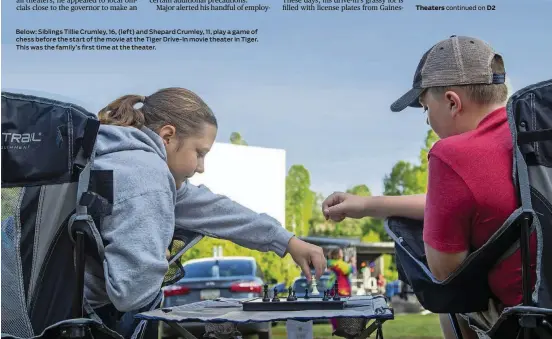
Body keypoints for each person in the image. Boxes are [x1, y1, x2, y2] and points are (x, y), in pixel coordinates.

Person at [321, 36, 537, 339]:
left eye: (425, 108)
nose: (427, 122)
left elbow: (447, 274)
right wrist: (367, 205)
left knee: (449, 302)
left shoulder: (453, 155)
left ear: (452, 102)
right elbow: (468, 201)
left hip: (524, 321)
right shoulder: (533, 138)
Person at [85, 87, 327, 338]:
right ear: (167, 136)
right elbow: (132, 294)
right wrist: (159, 254)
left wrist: (287, 241)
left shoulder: (115, 157)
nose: (201, 167)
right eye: (199, 153)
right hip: (89, 323)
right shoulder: (147, 175)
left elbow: (217, 211)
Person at [326, 248, 354, 331]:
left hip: (334, 288)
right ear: (338, 254)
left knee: (334, 308)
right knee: (344, 308)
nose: (342, 253)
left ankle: (336, 327)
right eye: (341, 252)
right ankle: (342, 327)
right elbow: (349, 270)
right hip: (341, 289)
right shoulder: (338, 263)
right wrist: (352, 264)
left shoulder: (332, 263)